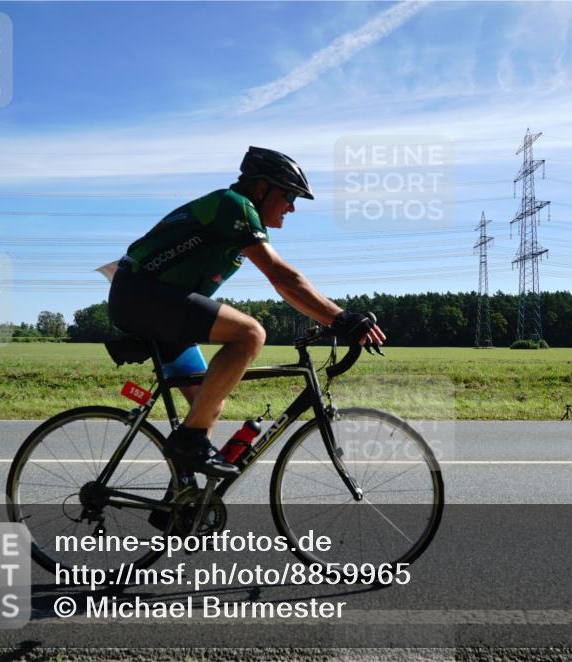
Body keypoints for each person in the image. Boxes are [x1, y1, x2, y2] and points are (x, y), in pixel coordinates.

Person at [108, 146, 385, 481]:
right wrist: (341, 318)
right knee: (250, 334)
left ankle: (182, 505)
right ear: (261, 187)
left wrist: (331, 320)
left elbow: (284, 287)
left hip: (153, 302)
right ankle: (187, 442)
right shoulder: (233, 205)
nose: (292, 208)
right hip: (140, 295)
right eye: (289, 196)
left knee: (208, 405)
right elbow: (282, 276)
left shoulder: (241, 217)